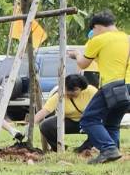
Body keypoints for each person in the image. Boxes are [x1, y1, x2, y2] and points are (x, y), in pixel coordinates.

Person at [72, 11, 129, 164]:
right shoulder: (127, 38)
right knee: (112, 123)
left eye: (93, 30)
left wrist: (77, 54)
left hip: (112, 86)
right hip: (127, 88)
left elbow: (83, 64)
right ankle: (113, 154)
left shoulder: (99, 40)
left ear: (97, 27)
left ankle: (108, 148)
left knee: (88, 119)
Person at [33, 74, 96, 153]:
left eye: (72, 90)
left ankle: (85, 148)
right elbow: (45, 111)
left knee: (105, 124)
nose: (68, 93)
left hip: (88, 122)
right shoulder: (60, 95)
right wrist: (31, 124)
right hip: (69, 122)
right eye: (66, 89)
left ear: (80, 89)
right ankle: (61, 148)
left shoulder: (91, 91)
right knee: (45, 126)